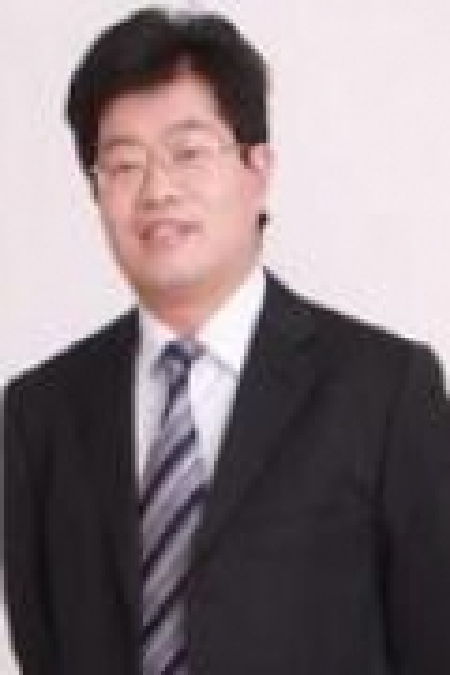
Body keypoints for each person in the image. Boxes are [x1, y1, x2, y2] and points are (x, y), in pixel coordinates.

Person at [3, 7, 450, 675]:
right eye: (123, 164)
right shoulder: (40, 412)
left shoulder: (385, 390)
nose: (158, 189)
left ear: (257, 169)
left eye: (188, 153)